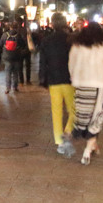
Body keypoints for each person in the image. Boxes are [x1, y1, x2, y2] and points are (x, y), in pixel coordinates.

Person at [69, 21, 103, 165]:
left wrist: (74, 78)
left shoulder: (77, 46)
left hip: (81, 86)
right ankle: (88, 150)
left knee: (84, 118)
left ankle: (92, 145)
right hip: (99, 87)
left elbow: (71, 64)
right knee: (95, 118)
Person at [39, 12, 76, 157]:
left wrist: (43, 78)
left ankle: (59, 141)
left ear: (52, 24)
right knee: (74, 110)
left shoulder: (46, 41)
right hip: (69, 79)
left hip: (53, 80)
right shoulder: (71, 40)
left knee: (56, 111)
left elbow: (43, 62)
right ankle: (67, 133)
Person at [0, 22, 26, 92]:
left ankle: (8, 87)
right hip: (17, 56)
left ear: (9, 27)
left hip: (7, 56)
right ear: (16, 27)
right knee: (15, 72)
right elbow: (23, 44)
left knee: (8, 72)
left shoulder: (5, 35)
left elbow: (0, 43)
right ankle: (15, 87)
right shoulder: (18, 35)